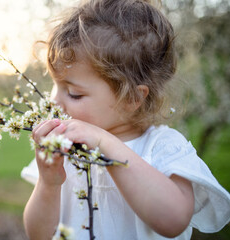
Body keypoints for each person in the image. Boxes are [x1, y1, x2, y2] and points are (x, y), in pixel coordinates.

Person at [21, 0, 230, 239]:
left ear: (131, 97)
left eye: (74, 93)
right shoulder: (66, 154)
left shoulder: (161, 147)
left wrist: (105, 143)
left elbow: (173, 221)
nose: (54, 102)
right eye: (54, 86)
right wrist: (48, 184)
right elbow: (37, 234)